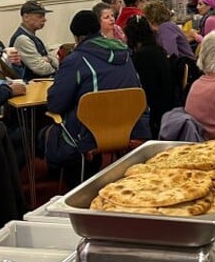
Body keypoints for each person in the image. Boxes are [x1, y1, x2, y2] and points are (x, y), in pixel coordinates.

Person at [44, 10, 150, 185]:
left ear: (76, 37)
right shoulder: (125, 55)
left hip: (90, 137)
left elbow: (55, 103)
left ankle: (71, 191)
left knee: (47, 135)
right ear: (98, 30)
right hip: (130, 128)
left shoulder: (75, 60)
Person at [125, 15, 175, 139]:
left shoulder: (141, 57)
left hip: (154, 113)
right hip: (167, 106)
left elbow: (145, 91)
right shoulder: (158, 50)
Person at [9, 0, 57, 80]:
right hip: (32, 86)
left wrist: (49, 59)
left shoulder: (33, 37)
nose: (44, 19)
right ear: (26, 17)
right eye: (40, 16)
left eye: (44, 16)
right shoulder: (22, 39)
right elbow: (40, 69)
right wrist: (55, 68)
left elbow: (54, 59)